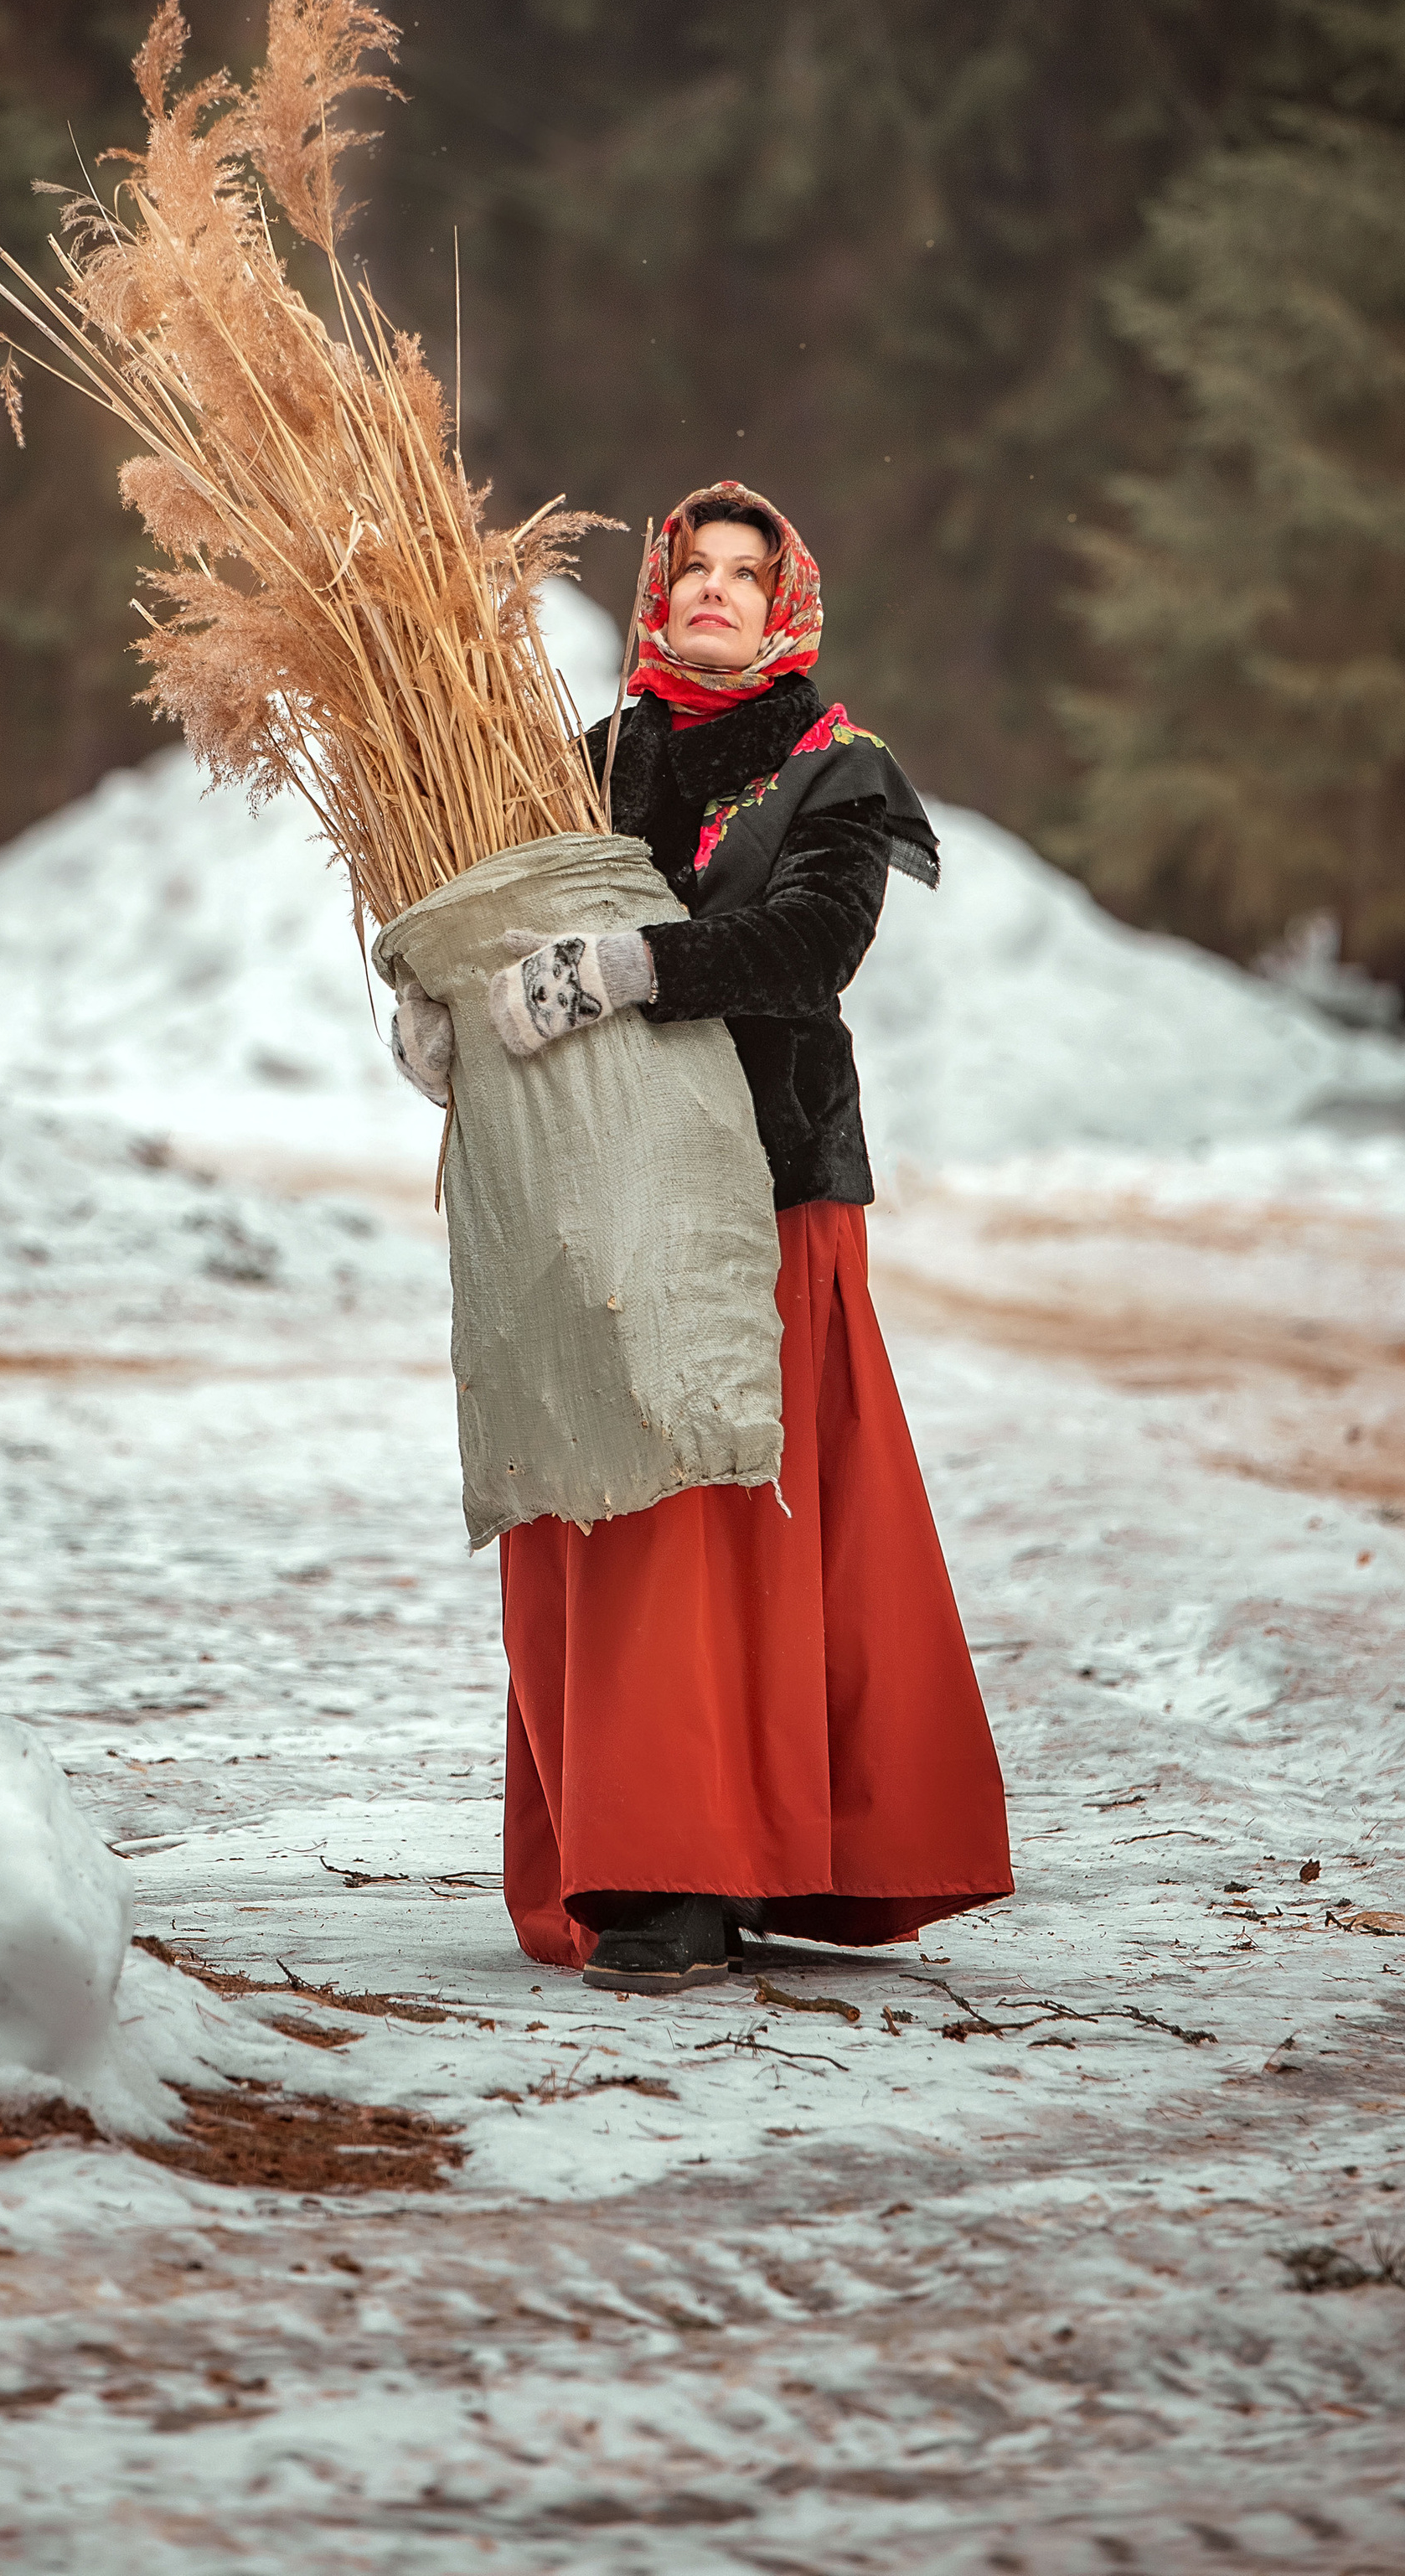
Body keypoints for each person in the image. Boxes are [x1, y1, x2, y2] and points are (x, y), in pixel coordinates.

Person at [391, 478, 1012, 1992]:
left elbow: (813, 946)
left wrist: (633, 967)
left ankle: (724, 1864)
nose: (718, 590)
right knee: (615, 1509)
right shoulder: (588, 762)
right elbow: (495, 908)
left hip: (770, 1189)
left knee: (732, 1514)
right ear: (660, 598)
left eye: (748, 571)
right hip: (598, 1185)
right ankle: (637, 1852)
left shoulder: (834, 766)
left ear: (786, 605)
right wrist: (440, 1010)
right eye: (695, 570)